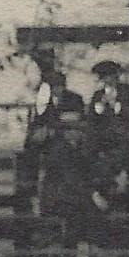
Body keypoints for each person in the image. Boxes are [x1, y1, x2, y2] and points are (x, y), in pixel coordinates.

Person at [24, 69, 91, 230]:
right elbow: (34, 128)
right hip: (47, 148)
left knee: (62, 163)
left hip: (67, 147)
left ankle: (63, 210)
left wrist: (53, 131)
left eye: (60, 86)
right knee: (36, 162)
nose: (57, 90)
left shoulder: (74, 99)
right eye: (53, 86)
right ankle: (39, 202)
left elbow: (76, 125)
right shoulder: (41, 102)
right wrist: (38, 135)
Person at [86, 59, 129, 218]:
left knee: (128, 167)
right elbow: (91, 121)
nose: (107, 80)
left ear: (116, 76)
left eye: (110, 76)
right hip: (106, 142)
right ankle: (99, 198)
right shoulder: (98, 96)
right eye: (104, 77)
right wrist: (99, 110)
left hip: (128, 140)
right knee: (92, 154)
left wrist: (117, 106)